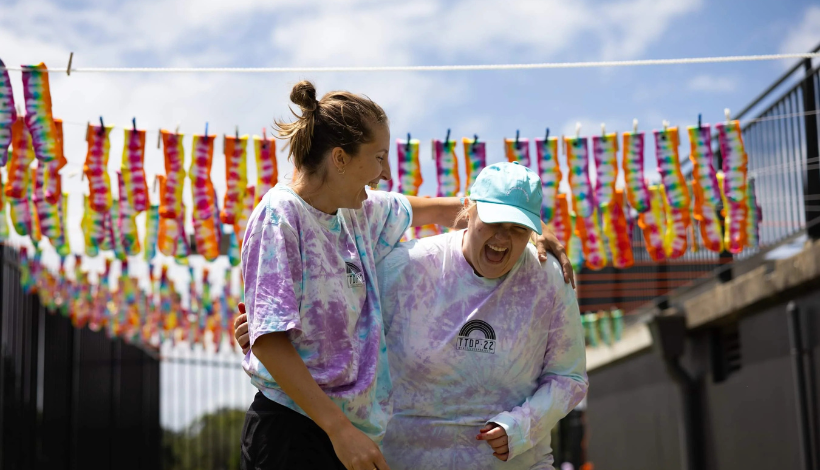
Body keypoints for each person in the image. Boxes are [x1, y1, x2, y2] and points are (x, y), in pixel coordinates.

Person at [239, 81, 573, 470]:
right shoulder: (280, 216)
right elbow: (268, 340)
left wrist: (525, 225)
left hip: (341, 432)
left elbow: (443, 210)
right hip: (296, 431)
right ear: (340, 159)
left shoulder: (357, 212)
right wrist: (339, 431)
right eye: (378, 156)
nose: (385, 171)